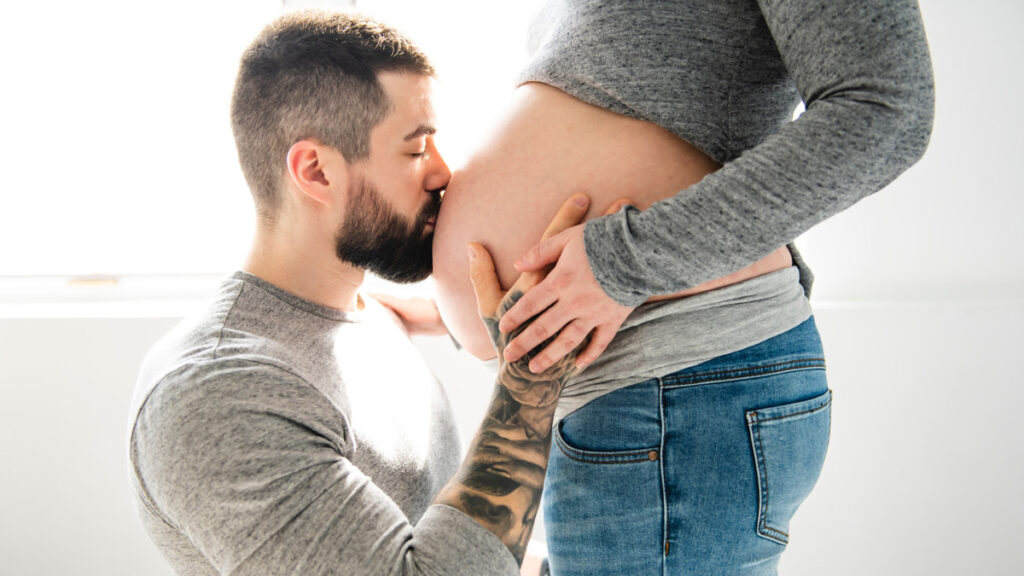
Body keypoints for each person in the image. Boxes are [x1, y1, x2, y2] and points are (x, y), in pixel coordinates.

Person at [429, 0, 935, 574]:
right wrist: (462, 305)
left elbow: (887, 113)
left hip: (678, 385)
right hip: (646, 395)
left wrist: (623, 263)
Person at [127, 11, 611, 575]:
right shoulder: (217, 393)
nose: (442, 173)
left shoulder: (366, 317)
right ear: (316, 171)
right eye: (415, 150)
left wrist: (464, 320)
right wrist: (527, 382)